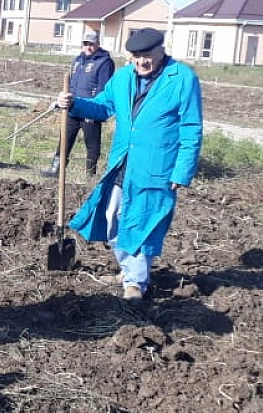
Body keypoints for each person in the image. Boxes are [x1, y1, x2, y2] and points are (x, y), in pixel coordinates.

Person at [57, 27, 203, 302]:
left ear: (161, 49)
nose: (141, 62)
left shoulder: (182, 78)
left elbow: (191, 127)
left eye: (147, 55)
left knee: (141, 221)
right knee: (112, 216)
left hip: (157, 166)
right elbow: (102, 107)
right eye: (136, 56)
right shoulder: (123, 77)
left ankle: (135, 282)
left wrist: (182, 170)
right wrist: (74, 103)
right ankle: (129, 268)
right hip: (122, 162)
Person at [42, 31, 114, 178]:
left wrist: (95, 108)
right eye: (85, 44)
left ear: (97, 44)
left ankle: (90, 174)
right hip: (73, 107)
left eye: (91, 44)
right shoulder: (78, 60)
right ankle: (56, 169)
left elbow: (103, 89)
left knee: (92, 143)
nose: (88, 47)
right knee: (65, 138)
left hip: (91, 109)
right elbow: (72, 84)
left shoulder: (105, 62)